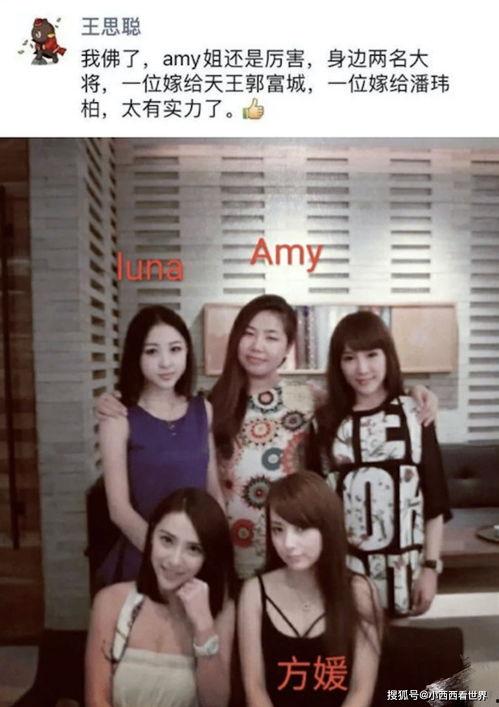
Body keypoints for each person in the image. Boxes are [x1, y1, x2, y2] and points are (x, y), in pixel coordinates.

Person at [97, 296, 437, 582]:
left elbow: (362, 398)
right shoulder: (211, 403)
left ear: (287, 348)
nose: (257, 346)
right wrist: (112, 400)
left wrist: (413, 392)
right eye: (249, 333)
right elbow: (164, 412)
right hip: (224, 548)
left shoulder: (309, 397)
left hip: (291, 547)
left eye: (271, 337)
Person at [316, 310, 451, 618]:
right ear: (338, 364)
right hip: (346, 570)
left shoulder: (415, 413)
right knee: (352, 643)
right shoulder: (324, 422)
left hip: (405, 569)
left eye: (372, 355)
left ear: (388, 356)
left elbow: (435, 501)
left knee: (400, 644)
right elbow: (319, 505)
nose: (362, 368)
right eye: (349, 358)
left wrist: (431, 568)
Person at [97, 305, 224, 586]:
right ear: (136, 356)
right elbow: (119, 510)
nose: (166, 363)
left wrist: (210, 551)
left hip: (198, 558)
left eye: (175, 349)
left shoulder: (203, 409)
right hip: (143, 555)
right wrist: (167, 559)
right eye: (152, 351)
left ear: (187, 352)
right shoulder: (118, 417)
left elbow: (213, 489)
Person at [238, 472, 382, 707]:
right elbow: (255, 688)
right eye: (278, 529)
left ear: (327, 528)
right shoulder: (254, 592)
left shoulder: (360, 591)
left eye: (301, 529)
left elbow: (361, 690)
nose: (288, 544)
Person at [85, 488, 236, 707]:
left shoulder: (222, 609)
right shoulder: (110, 601)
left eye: (193, 549)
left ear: (209, 556)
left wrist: (204, 627)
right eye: (167, 540)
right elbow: (96, 699)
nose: (174, 560)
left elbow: (215, 703)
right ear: (151, 537)